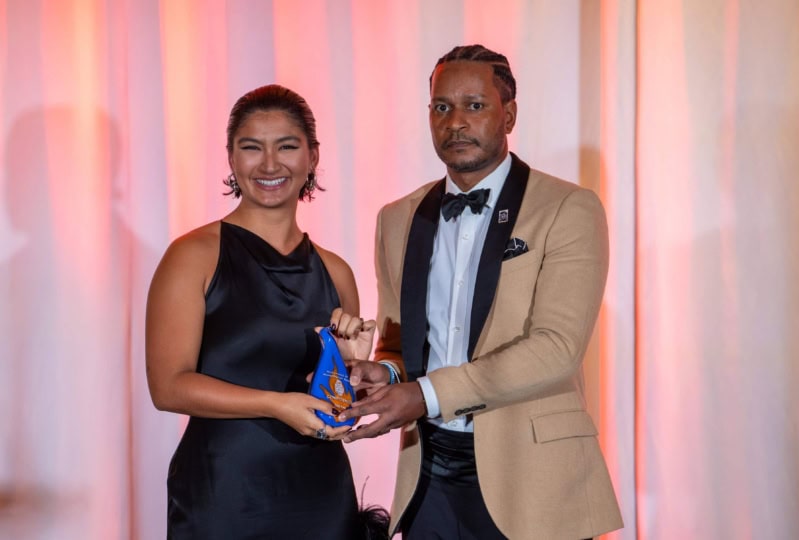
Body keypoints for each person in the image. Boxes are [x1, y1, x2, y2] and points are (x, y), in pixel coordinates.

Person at [340, 45, 624, 539]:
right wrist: (382, 372)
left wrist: (423, 395)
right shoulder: (397, 218)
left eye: (475, 105)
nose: (455, 122)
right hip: (427, 475)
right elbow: (399, 341)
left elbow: (556, 349)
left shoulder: (568, 208)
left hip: (534, 475)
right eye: (441, 106)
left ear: (509, 114)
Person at [145, 84, 384, 539]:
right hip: (225, 495)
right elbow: (168, 387)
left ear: (313, 156)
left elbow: (338, 410)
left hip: (321, 496)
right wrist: (275, 405)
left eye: (287, 147)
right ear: (232, 158)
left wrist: (351, 371)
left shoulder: (336, 271)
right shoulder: (193, 255)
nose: (270, 164)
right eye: (251, 148)